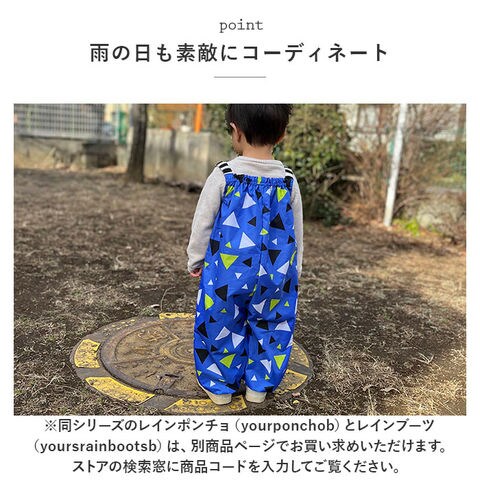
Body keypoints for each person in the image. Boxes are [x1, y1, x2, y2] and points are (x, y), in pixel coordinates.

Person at [187, 104, 303, 405]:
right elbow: (296, 230)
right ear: (282, 134)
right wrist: (295, 269)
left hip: (227, 272)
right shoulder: (288, 180)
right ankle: (258, 387)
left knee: (220, 324)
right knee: (272, 325)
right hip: (277, 272)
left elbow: (203, 222)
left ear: (235, 131)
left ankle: (220, 388)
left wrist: (196, 258)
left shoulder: (224, 174)